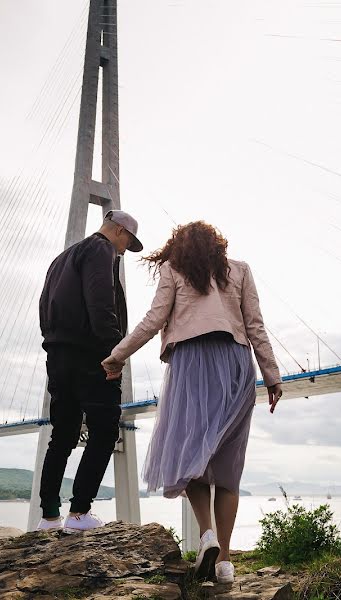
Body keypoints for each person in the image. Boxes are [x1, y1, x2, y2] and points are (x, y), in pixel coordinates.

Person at [102, 221, 283, 583]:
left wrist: (117, 356)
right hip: (235, 364)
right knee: (228, 465)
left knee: (190, 455)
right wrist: (272, 376)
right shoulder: (241, 270)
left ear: (179, 247)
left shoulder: (173, 269)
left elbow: (153, 320)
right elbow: (256, 326)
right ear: (219, 246)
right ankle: (226, 563)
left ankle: (207, 535)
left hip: (192, 365)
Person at [36, 210, 144, 532]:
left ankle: (49, 517)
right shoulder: (102, 250)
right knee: (105, 430)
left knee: (63, 434)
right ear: (120, 232)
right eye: (128, 243)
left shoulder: (61, 258)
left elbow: (44, 307)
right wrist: (115, 352)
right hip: (92, 357)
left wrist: (55, 344)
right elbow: (101, 304)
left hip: (57, 357)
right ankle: (80, 514)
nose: (125, 251)